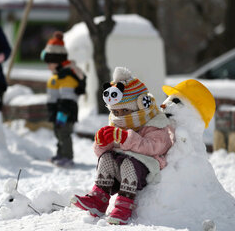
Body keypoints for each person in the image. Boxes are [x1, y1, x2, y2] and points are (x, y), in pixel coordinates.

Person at [71, 67, 174, 225]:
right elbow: (103, 152)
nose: (121, 116)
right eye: (116, 112)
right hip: (119, 169)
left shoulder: (155, 123)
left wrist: (127, 138)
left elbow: (155, 146)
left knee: (128, 163)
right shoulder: (118, 123)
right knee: (106, 157)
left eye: (125, 110)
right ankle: (99, 198)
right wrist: (102, 143)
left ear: (141, 105)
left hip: (144, 167)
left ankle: (125, 205)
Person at [40, 31, 86, 167]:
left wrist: (62, 113)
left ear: (58, 61)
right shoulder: (57, 75)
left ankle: (68, 157)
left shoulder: (66, 76)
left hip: (65, 111)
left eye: (50, 63)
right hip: (57, 111)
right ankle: (60, 154)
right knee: (58, 133)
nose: (48, 66)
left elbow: (68, 97)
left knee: (64, 134)